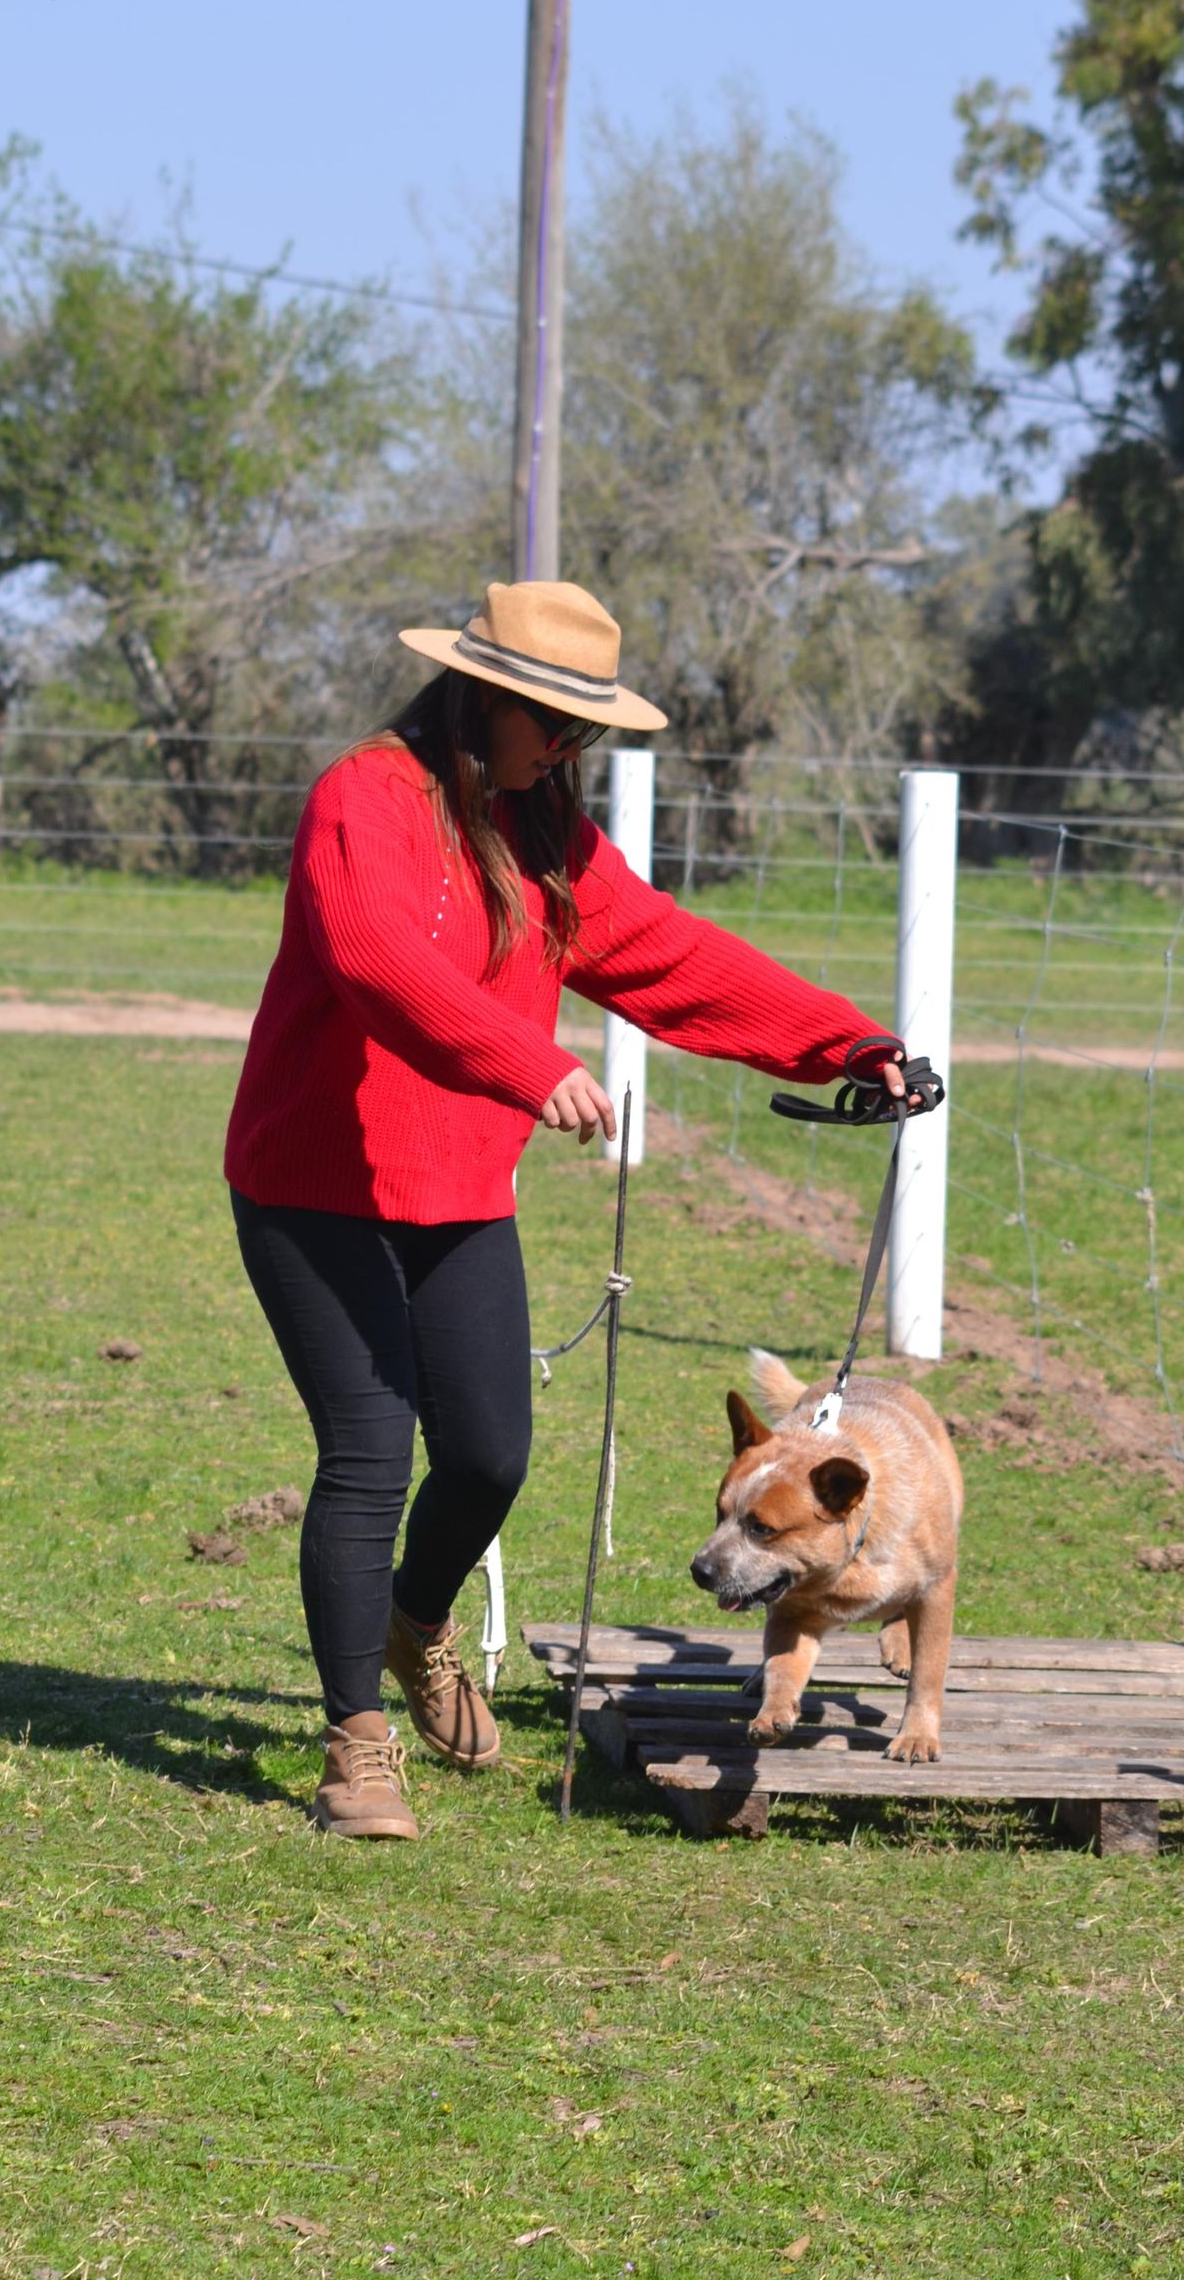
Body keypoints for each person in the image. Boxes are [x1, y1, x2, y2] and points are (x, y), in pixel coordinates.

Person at [226, 580, 920, 1839]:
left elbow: (671, 957)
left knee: (490, 1455)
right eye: (554, 721)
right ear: (482, 696)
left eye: (584, 730)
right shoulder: (363, 799)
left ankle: (413, 1626)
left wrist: (848, 1043)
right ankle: (355, 1749)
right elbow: (377, 962)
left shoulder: (544, 833)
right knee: (371, 1456)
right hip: (311, 1183)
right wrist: (530, 1063)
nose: (569, 748)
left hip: (452, 1188)